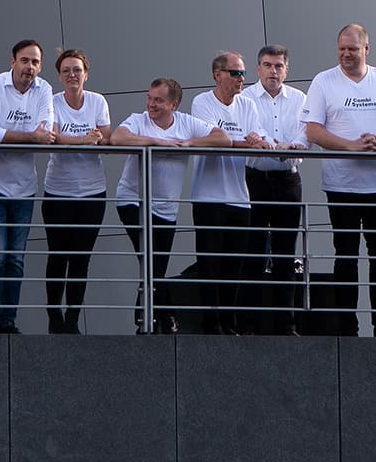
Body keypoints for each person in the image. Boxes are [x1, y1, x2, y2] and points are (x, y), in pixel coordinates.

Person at [300, 24, 376, 337]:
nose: (346, 55)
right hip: (341, 185)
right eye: (341, 49)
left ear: (366, 49)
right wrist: (351, 146)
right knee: (345, 256)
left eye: (352, 49)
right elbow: (312, 129)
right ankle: (347, 326)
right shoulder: (324, 80)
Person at [112, 78, 229, 334]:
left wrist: (189, 143)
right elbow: (118, 138)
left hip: (166, 209)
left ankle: (152, 316)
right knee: (149, 258)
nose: (151, 104)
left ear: (174, 104)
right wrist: (156, 143)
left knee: (156, 264)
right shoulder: (138, 120)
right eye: (149, 98)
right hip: (133, 200)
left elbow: (223, 138)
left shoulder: (186, 123)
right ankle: (161, 315)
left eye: (158, 100)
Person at [0, 39, 56, 335]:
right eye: (24, 60)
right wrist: (29, 137)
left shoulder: (44, 89)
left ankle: (8, 320)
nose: (29, 67)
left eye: (35, 62)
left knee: (15, 261)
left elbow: (45, 135)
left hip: (24, 187)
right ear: (12, 62)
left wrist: (18, 138)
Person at [189, 51, 271, 334]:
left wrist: (255, 141)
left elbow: (259, 138)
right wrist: (245, 142)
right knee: (210, 263)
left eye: (243, 74)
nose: (241, 79)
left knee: (234, 265)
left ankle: (229, 321)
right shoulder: (202, 102)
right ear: (217, 74)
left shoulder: (248, 105)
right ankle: (210, 322)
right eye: (235, 73)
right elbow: (214, 140)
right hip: (208, 197)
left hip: (239, 197)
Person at [43, 49, 112, 335]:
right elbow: (53, 136)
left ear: (86, 74)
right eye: (66, 70)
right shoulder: (51, 102)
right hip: (58, 191)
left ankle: (73, 317)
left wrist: (97, 138)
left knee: (81, 256)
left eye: (77, 70)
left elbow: (107, 137)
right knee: (58, 254)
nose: (72, 75)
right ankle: (53, 314)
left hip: (92, 192)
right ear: (59, 76)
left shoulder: (97, 101)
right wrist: (86, 138)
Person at [241, 45, 308, 336]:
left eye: (279, 66)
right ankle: (250, 324)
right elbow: (251, 132)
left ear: (286, 69)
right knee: (253, 254)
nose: (273, 71)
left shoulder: (299, 98)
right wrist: (277, 146)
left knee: (285, 256)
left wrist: (288, 150)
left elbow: (304, 136)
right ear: (258, 68)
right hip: (254, 179)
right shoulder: (245, 98)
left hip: (287, 180)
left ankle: (286, 324)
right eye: (267, 65)